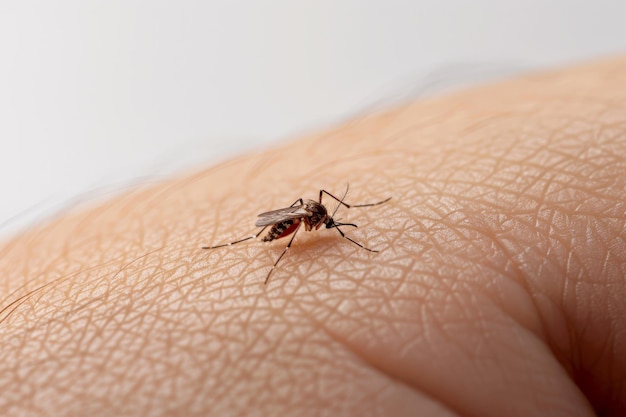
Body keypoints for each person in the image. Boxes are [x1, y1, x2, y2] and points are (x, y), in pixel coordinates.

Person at [1, 57, 624, 417]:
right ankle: (254, 255)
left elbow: (320, 211)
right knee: (292, 230)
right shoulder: (301, 221)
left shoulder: (317, 215)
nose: (323, 222)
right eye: (322, 218)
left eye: (319, 218)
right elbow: (299, 218)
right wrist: (291, 237)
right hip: (280, 224)